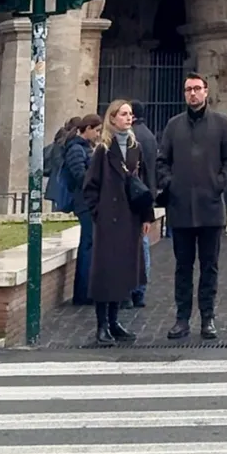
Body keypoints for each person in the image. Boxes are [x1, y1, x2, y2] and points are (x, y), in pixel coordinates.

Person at [157, 73, 227, 341]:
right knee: (182, 267)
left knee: (209, 266)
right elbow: (161, 160)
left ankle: (208, 317)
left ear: (206, 91)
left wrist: (219, 184)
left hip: (210, 206)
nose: (192, 94)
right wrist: (171, 183)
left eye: (197, 89)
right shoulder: (173, 125)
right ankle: (182, 318)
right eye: (188, 89)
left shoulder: (221, 123)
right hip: (180, 207)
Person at [83, 99, 153, 346]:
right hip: (109, 220)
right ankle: (102, 325)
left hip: (130, 218)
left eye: (130, 114)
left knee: (123, 273)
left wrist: (146, 216)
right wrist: (98, 213)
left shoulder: (136, 148)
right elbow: (90, 186)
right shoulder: (102, 150)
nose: (128, 118)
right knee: (106, 274)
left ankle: (114, 322)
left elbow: (143, 184)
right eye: (123, 114)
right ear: (112, 118)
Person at [63, 113, 101, 305]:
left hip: (87, 201)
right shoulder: (77, 149)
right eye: (97, 130)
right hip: (84, 202)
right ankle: (83, 292)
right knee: (88, 244)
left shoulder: (82, 148)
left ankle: (86, 290)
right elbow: (80, 175)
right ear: (88, 129)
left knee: (89, 243)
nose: (98, 135)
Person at [129, 101, 158, 308]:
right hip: (147, 191)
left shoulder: (132, 137)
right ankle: (140, 290)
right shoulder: (149, 135)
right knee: (144, 243)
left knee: (134, 244)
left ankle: (131, 289)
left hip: (133, 194)